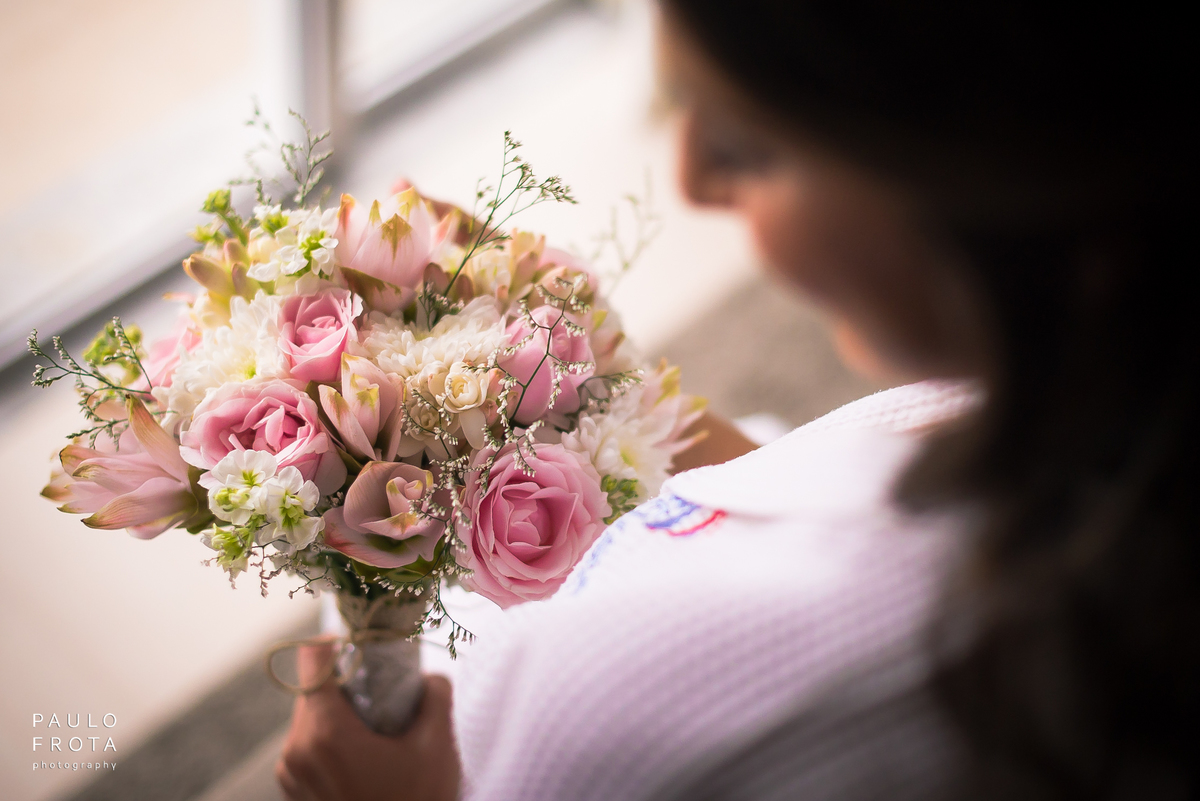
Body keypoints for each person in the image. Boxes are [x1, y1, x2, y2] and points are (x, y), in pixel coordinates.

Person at [275, 2, 1196, 799]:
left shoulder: (608, 706)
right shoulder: (1105, 410)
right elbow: (810, 503)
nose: (690, 180)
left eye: (746, 141)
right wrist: (616, 399)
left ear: (993, 162)